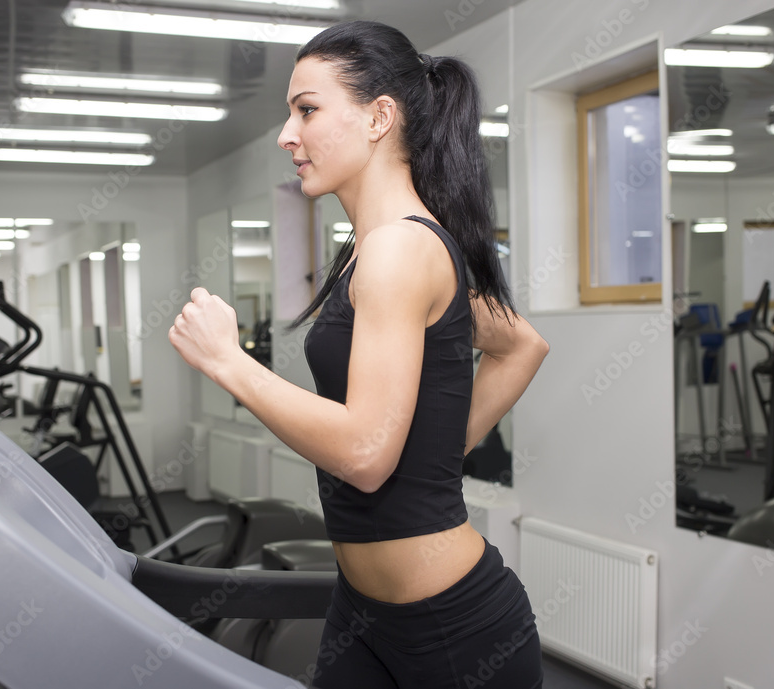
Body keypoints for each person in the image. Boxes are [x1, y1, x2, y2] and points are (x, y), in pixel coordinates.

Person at [169, 20, 548, 689]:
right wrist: (432, 453)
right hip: (363, 608)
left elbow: (368, 457)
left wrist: (230, 361)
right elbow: (522, 342)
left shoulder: (400, 248)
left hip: (451, 627)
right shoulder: (380, 248)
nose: (288, 135)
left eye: (307, 110)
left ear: (379, 117)